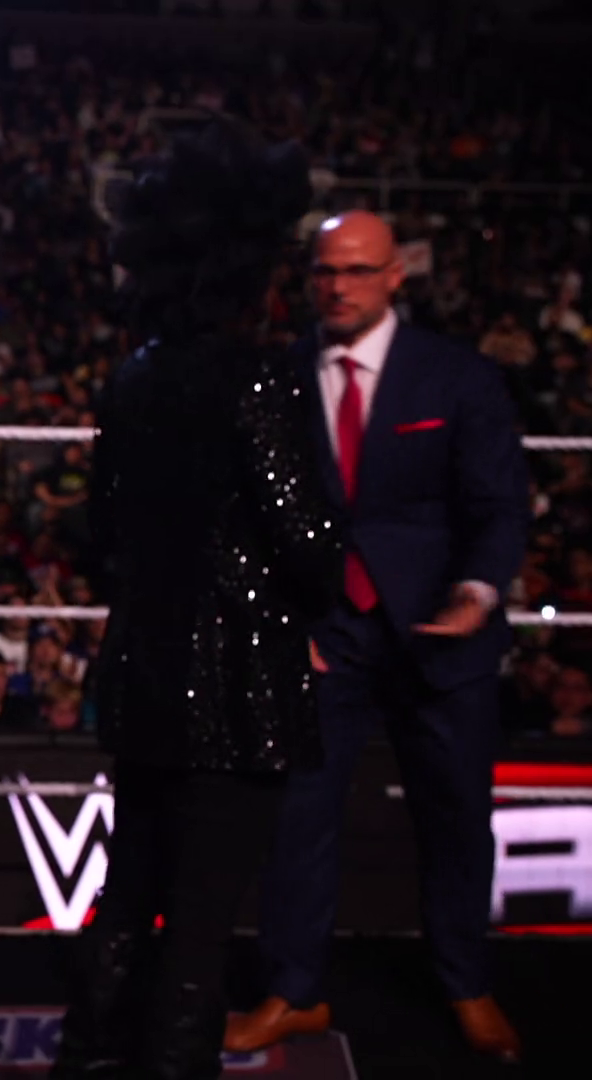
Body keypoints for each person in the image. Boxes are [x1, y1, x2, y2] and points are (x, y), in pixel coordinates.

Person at [52, 118, 343, 1079]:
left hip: (146, 678)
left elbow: (102, 529)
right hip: (238, 691)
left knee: (129, 895)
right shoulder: (260, 379)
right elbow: (309, 546)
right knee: (201, 923)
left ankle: (85, 1062)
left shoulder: (132, 379)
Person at [226, 211, 532, 1062]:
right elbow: (250, 516)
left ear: (397, 274)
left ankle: (466, 984)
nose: (339, 286)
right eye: (326, 270)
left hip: (443, 637)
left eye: (358, 269)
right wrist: (282, 622)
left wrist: (476, 592)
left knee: (457, 817)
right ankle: (293, 992)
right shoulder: (277, 378)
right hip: (326, 636)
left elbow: (500, 504)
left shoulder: (457, 375)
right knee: (298, 820)